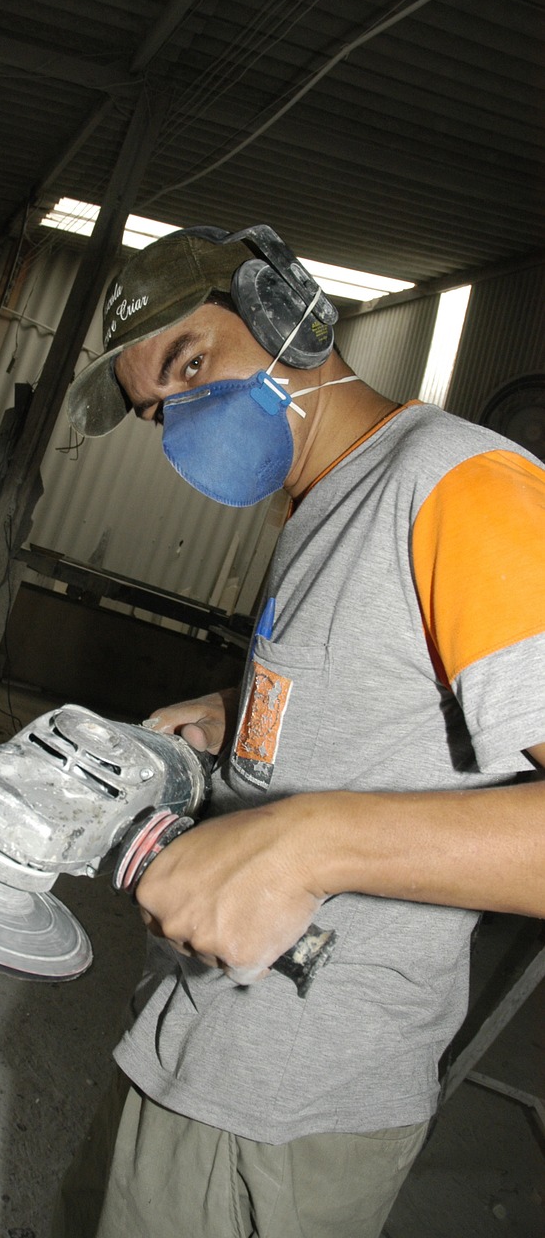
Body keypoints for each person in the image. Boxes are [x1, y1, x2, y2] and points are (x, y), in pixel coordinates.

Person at [52, 224, 545, 1238]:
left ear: (288, 314)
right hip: (201, 1034)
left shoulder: (458, 485)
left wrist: (308, 840)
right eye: (159, 409)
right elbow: (409, 695)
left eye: (191, 363)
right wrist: (240, 715)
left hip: (289, 1101)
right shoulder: (326, 500)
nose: (181, 413)